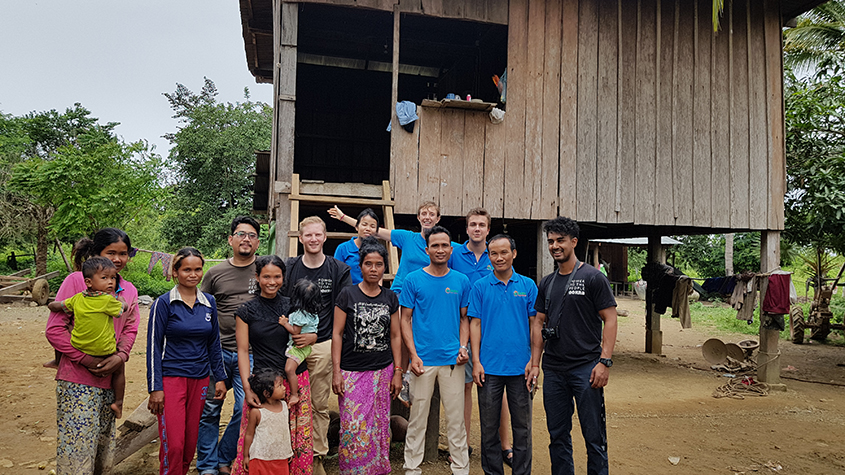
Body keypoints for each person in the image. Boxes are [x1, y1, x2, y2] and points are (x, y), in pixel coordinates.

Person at [527, 217, 618, 475]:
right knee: (557, 435)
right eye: (551, 242)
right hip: (554, 369)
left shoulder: (593, 277)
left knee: (594, 436)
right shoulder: (546, 282)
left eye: (560, 241)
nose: (555, 246)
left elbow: (610, 319)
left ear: (573, 242)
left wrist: (604, 361)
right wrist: (535, 363)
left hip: (586, 368)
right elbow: (539, 323)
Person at [46, 228, 140, 475]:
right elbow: (55, 330)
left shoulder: (128, 290)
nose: (118, 259)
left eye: (123, 253)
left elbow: (130, 329)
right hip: (77, 378)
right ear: (97, 253)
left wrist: (120, 356)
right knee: (77, 450)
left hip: (110, 378)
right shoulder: (77, 281)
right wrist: (86, 359)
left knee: (102, 448)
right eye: (111, 253)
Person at [147, 247, 228, 475]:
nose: (193, 274)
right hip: (171, 378)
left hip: (200, 379)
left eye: (198, 269)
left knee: (190, 443)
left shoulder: (209, 302)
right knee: (174, 444)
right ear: (175, 272)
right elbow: (153, 346)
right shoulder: (164, 303)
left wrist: (220, 378)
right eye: (187, 270)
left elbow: (214, 343)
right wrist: (155, 388)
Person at [233, 255, 314, 475]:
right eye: (266, 276)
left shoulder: (293, 306)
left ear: (283, 278)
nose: (272, 281)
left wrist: (312, 338)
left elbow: (310, 330)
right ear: (257, 277)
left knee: (297, 436)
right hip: (264, 385)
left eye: (277, 276)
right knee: (259, 433)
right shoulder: (246, 311)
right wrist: (247, 388)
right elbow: (242, 350)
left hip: (295, 380)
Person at [283, 216, 351, 475]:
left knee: (319, 404)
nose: (313, 239)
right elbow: (281, 303)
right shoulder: (289, 268)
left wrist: (320, 337)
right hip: (292, 343)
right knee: (290, 399)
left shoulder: (338, 269)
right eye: (308, 235)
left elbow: (342, 310)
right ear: (300, 238)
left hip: (322, 343)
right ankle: (291, 452)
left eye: (317, 235)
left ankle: (316, 456)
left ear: (324, 237)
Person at [400, 226, 471, 475]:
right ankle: (412, 467)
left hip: (453, 361)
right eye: (435, 246)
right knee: (418, 419)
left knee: (456, 419)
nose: (440, 250)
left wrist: (463, 347)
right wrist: (413, 356)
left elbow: (465, 319)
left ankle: (461, 467)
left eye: (444, 245)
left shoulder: (461, 281)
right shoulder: (413, 280)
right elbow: (405, 319)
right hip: (422, 361)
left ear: (451, 250)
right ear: (427, 249)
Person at [331, 237, 403, 474]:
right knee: (353, 425)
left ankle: (377, 468)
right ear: (360, 266)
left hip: (383, 371)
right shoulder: (347, 295)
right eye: (368, 264)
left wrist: (398, 372)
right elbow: (338, 334)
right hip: (351, 372)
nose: (374, 269)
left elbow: (395, 336)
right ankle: (353, 470)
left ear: (385, 267)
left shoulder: (390, 298)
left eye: (379, 264)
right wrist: (336, 372)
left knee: (379, 426)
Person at [448, 207, 514, 465]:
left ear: (488, 229)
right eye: (472, 224)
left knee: (500, 390)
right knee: (465, 387)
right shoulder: (455, 255)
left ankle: (505, 445)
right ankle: (463, 443)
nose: (477, 229)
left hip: (494, 333)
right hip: (463, 330)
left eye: (481, 225)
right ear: (466, 229)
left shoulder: (496, 255)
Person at [196, 216, 260, 475]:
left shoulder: (264, 269)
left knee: (245, 407)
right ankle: (208, 466)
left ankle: (225, 455)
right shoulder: (215, 273)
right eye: (241, 234)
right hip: (218, 351)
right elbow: (201, 310)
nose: (246, 239)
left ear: (257, 241)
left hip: (254, 355)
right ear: (230, 239)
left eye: (252, 235)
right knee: (210, 410)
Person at [469, 234, 538, 475]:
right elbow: (474, 325)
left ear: (514, 253)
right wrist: (476, 361)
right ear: (489, 256)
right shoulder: (479, 286)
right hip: (488, 368)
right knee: (488, 429)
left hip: (522, 368)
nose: (499, 258)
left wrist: (534, 360)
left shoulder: (528, 286)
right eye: (494, 254)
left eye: (504, 252)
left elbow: (535, 325)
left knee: (523, 429)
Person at [47, 256, 129, 418]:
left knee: (71, 327)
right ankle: (118, 402)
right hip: (104, 350)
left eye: (113, 278)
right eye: (105, 278)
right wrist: (122, 301)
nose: (111, 282)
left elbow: (60, 305)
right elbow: (122, 310)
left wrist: (52, 305)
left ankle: (57, 360)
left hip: (79, 346)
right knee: (119, 370)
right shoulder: (108, 300)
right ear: (89, 282)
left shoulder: (78, 298)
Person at [329, 201, 440, 296]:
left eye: (431, 214)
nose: (427, 217)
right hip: (402, 292)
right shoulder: (407, 237)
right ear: (418, 217)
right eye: (424, 214)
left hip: (425, 292)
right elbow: (371, 230)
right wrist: (344, 218)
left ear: (438, 219)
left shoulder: (443, 245)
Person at [279, 279, 321, 406]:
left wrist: (285, 323)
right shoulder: (313, 313)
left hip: (299, 348)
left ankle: (294, 394)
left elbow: (295, 332)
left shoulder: (300, 315)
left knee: (289, 369)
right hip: (305, 347)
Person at [243, 368, 293, 475]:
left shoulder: (285, 406)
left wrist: (287, 451)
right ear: (266, 393)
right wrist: (246, 456)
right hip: (260, 458)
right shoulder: (257, 412)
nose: (284, 388)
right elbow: (249, 435)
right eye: (280, 385)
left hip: (281, 457)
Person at [332, 208, 380, 285]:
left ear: (376, 231)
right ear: (356, 227)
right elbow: (336, 275)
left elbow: (379, 277)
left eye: (372, 226)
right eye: (364, 224)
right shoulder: (343, 248)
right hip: (348, 293)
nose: (368, 229)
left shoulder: (378, 251)